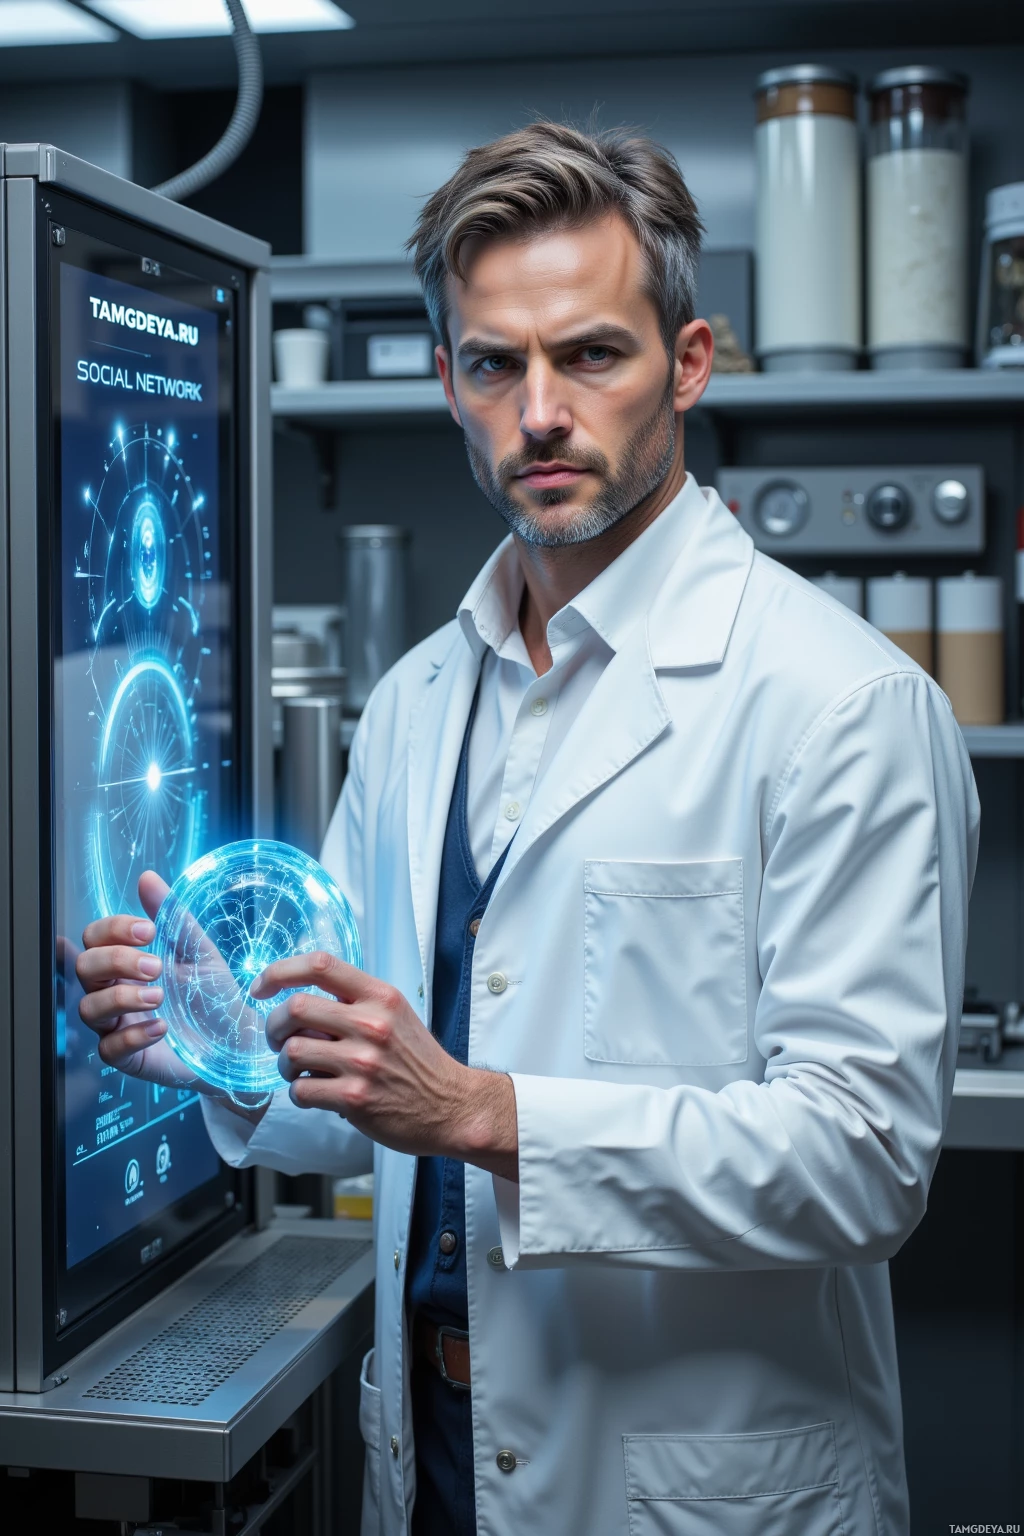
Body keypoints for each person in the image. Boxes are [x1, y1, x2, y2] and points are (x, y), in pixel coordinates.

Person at [77, 121, 979, 1536]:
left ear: (687, 364)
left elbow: (859, 1162)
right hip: (436, 1449)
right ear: (447, 381)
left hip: (690, 1486)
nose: (540, 411)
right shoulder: (421, 700)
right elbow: (374, 1112)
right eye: (495, 363)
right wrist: (224, 1042)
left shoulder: (840, 704)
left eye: (593, 354)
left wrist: (481, 1112)